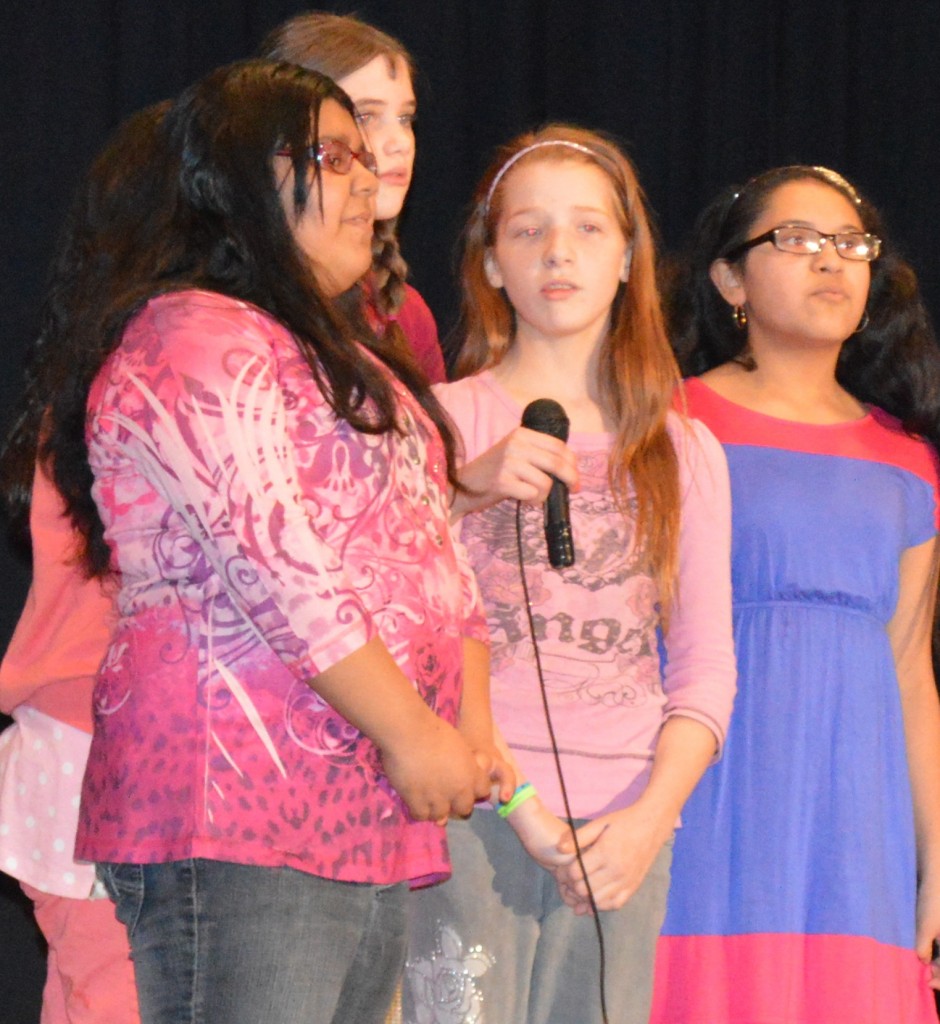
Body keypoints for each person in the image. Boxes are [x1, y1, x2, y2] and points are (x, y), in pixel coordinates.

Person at [24, 58, 510, 1024]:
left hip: (358, 799)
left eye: (366, 160)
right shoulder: (190, 333)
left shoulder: (360, 361)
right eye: (332, 156)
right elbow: (277, 565)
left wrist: (473, 724)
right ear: (236, 176)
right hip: (237, 798)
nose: (366, 184)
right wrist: (415, 732)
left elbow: (437, 559)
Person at [403, 125, 737, 1024]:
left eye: (589, 229)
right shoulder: (439, 422)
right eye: (529, 230)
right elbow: (394, 629)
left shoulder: (685, 449)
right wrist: (463, 490)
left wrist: (647, 820)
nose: (559, 251)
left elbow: (705, 668)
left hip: (623, 830)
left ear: (629, 258)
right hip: (474, 812)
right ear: (492, 261)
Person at [651, 165, 940, 1023]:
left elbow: (911, 672)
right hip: (708, 805)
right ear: (730, 278)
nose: (833, 262)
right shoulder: (668, 423)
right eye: (799, 241)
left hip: (857, 831)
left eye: (851, 244)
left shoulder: (909, 461)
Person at [0, 101, 177, 1024]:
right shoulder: (137, 373)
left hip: (107, 734)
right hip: (99, 735)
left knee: (89, 994)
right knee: (114, 995)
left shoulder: (121, 360)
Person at [261, 11, 447, 383]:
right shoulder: (230, 306)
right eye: (366, 115)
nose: (400, 143)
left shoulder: (406, 313)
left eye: (406, 118)